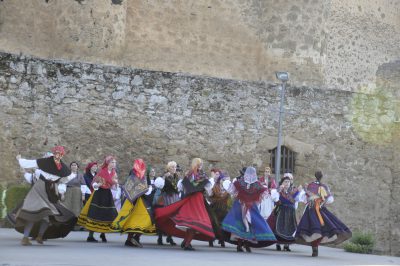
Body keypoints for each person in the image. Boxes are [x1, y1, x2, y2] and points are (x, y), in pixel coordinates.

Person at [14, 146, 77, 245]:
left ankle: (39, 236)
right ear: (53, 153)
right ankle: (25, 238)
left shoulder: (62, 168)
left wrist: (70, 176)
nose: (58, 155)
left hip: (49, 192)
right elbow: (30, 164)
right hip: (39, 190)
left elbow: (63, 180)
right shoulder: (44, 162)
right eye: (56, 153)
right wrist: (20, 160)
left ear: (62, 155)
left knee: (46, 216)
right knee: (32, 214)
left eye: (60, 154)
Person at [155, 158, 215, 251]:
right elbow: (209, 190)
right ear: (198, 165)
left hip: (190, 199)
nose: (201, 165)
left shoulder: (189, 174)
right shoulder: (202, 175)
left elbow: (181, 187)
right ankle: (187, 243)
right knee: (195, 222)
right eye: (200, 164)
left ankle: (186, 242)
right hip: (197, 200)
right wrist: (209, 193)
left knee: (190, 223)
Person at [295, 171, 352, 257]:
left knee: (312, 229)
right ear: (321, 177)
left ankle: (314, 247)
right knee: (322, 228)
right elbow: (330, 199)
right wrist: (322, 201)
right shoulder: (324, 186)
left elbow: (304, 198)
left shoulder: (310, 185)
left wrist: (310, 197)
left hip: (310, 210)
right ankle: (315, 247)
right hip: (321, 210)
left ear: (315, 176)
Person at [222, 167, 276, 252]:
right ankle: (240, 245)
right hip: (240, 205)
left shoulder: (257, 184)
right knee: (240, 226)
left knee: (251, 225)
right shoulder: (239, 183)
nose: (250, 176)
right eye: (249, 174)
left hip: (251, 207)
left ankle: (247, 245)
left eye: (252, 174)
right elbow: (233, 191)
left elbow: (262, 193)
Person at [112, 159, 156, 248]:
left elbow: (144, 185)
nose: (141, 166)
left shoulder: (143, 173)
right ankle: (133, 238)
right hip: (134, 201)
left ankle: (131, 239)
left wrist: (149, 188)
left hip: (140, 200)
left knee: (137, 219)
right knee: (141, 218)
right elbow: (132, 185)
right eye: (140, 164)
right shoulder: (133, 173)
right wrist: (147, 189)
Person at [78, 156, 119, 243]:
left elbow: (114, 186)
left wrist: (116, 184)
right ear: (108, 163)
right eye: (112, 162)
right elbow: (94, 184)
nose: (114, 164)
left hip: (107, 193)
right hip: (99, 194)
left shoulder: (114, 173)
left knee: (107, 213)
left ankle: (103, 233)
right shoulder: (101, 172)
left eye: (115, 163)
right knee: (95, 213)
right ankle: (90, 236)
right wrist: (98, 185)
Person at [268, 175, 303, 251]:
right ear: (282, 183)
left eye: (288, 182)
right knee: (279, 227)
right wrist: (278, 190)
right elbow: (274, 198)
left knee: (289, 228)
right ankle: (278, 243)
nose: (287, 183)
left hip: (290, 212)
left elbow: (297, 200)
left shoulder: (293, 190)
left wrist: (299, 191)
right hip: (281, 211)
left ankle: (287, 245)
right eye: (285, 182)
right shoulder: (279, 190)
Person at [153, 161, 180, 246]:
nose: (174, 169)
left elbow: (178, 187)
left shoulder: (176, 176)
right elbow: (159, 186)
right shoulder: (164, 176)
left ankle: (170, 236)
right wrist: (164, 177)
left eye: (175, 167)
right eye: (172, 167)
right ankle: (160, 237)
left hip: (175, 198)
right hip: (166, 198)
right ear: (168, 168)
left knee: (173, 218)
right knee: (164, 217)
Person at [208, 171, 231, 248]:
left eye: (224, 179)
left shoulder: (226, 187)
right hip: (216, 208)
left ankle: (222, 240)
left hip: (224, 208)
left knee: (223, 224)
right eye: (222, 179)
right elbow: (218, 196)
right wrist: (226, 193)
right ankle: (211, 240)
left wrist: (228, 192)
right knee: (214, 224)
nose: (223, 181)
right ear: (219, 180)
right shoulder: (215, 186)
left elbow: (228, 198)